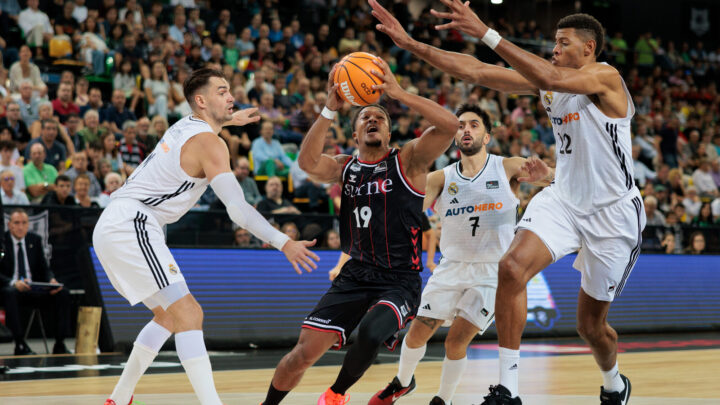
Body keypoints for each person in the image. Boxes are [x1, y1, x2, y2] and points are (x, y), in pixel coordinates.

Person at [371, 1, 644, 403]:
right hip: (564, 201)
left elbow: (548, 73)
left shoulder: (607, 77)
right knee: (511, 268)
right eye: (554, 42)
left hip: (614, 215)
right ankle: (508, 389)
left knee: (590, 327)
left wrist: (486, 32)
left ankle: (614, 383)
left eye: (563, 43)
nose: (554, 49)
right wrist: (412, 45)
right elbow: (477, 71)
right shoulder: (548, 85)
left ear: (588, 48)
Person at [94, 68, 319, 405]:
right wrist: (282, 241)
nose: (231, 97)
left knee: (168, 316)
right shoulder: (210, 144)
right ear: (201, 101)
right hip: (132, 223)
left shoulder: (186, 124)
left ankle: (119, 397)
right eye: (222, 91)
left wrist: (230, 120)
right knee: (190, 313)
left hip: (116, 224)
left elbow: (206, 126)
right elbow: (238, 210)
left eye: (230, 91)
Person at [262, 57, 459, 405]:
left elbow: (449, 125)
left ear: (387, 132)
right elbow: (306, 163)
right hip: (355, 274)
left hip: (400, 277)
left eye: (379, 117)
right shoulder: (344, 168)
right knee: (301, 354)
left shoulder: (408, 159)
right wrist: (328, 109)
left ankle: (336, 394)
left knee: (370, 332)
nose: (372, 119)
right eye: (365, 117)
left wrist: (399, 93)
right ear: (354, 134)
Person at [369, 104, 552, 405]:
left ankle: (444, 399)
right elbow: (405, 214)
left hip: (491, 273)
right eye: (461, 125)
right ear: (454, 136)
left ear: (488, 136)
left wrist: (548, 174)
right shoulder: (440, 178)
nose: (466, 129)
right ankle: (402, 381)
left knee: (456, 341)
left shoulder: (506, 167)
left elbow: (557, 179)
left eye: (474, 125)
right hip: (451, 267)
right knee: (416, 334)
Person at [0, 209, 72, 355]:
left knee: (62, 293)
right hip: (11, 290)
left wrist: (51, 280)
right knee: (10, 293)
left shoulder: (34, 240)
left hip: (33, 288)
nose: (20, 227)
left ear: (28, 225)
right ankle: (20, 344)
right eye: (16, 223)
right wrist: (14, 282)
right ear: (9, 225)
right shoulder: (3, 242)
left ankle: (60, 343)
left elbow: (44, 268)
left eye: (24, 223)